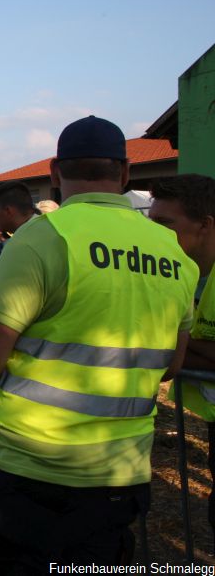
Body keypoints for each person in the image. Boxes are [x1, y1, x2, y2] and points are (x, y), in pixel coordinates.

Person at [0, 115, 198, 571]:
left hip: (27, 468)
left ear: (56, 174)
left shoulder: (42, 238)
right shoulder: (174, 252)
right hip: (119, 473)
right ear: (123, 174)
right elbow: (171, 366)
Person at [148, 174, 215, 532]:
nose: (151, 233)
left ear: (204, 225)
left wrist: (168, 345)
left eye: (163, 224)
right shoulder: (182, 273)